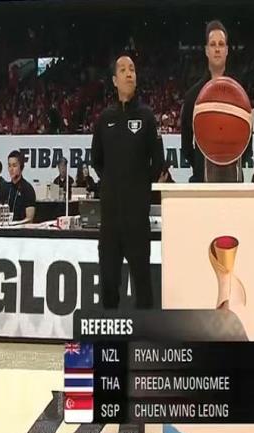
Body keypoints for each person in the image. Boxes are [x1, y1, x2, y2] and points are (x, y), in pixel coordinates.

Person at [91, 54, 164, 311]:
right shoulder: (104, 119)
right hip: (110, 217)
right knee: (109, 283)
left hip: (137, 217)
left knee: (142, 283)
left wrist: (139, 186)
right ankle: (110, 332)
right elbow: (96, 160)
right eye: (122, 69)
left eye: (132, 68)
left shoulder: (147, 116)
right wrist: (114, 184)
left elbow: (157, 161)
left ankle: (144, 333)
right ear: (114, 80)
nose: (129, 73)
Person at [181, 20, 251, 182]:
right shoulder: (193, 95)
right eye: (213, 44)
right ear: (206, 50)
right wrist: (200, 164)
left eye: (221, 44)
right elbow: (186, 146)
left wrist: (231, 160)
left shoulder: (239, 93)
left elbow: (248, 141)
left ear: (227, 50)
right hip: (202, 182)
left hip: (234, 180)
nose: (217, 49)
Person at [0, 150, 36, 223]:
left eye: (14, 166)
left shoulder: (28, 189)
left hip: (21, 228)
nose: (11, 169)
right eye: (9, 166)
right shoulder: (5, 188)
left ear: (21, 167)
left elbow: (29, 219)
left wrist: (16, 224)